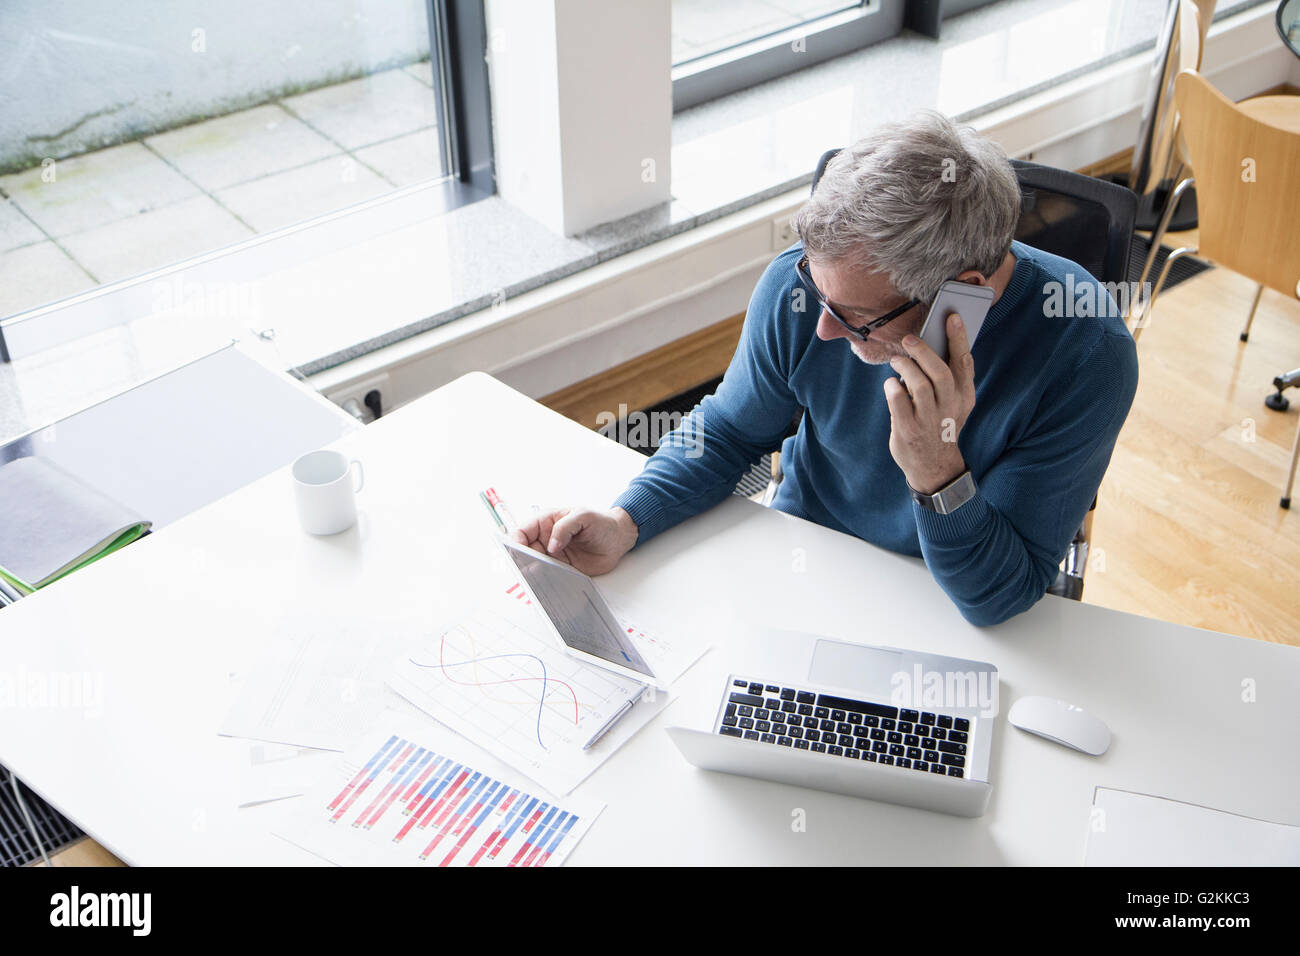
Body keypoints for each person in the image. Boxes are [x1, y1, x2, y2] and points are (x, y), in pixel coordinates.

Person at [512, 111, 1139, 626]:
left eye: (857, 316)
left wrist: (936, 472)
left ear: (963, 294)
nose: (825, 329)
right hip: (806, 561)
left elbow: (997, 597)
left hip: (951, 608)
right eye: (819, 294)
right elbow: (730, 432)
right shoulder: (801, 286)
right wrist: (628, 520)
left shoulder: (1089, 354)